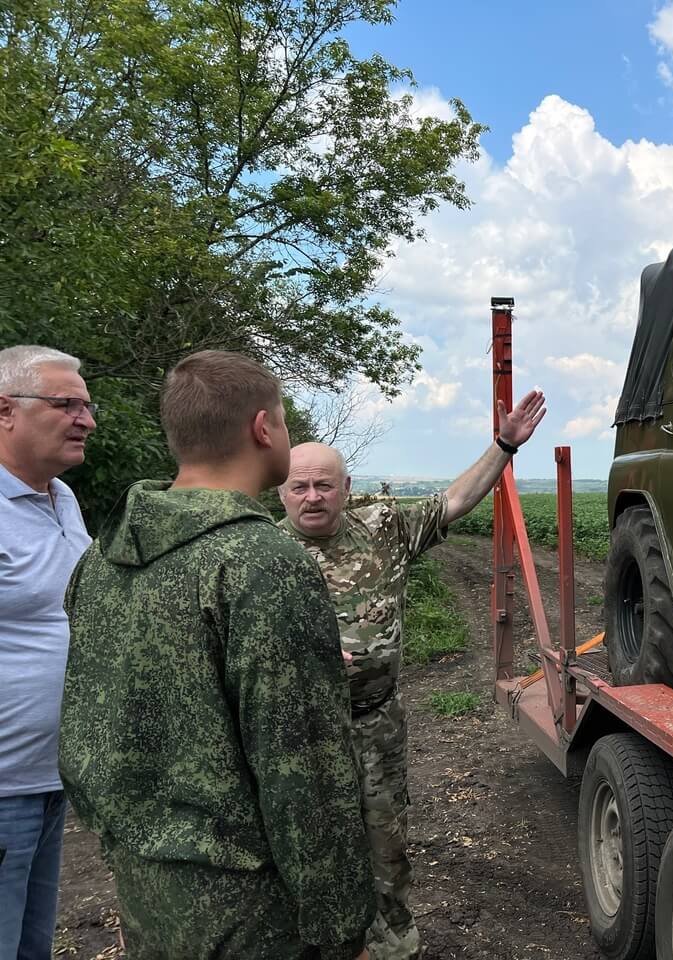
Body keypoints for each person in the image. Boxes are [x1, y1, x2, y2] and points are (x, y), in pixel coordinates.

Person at [59, 350, 375, 960]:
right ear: (263, 428)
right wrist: (341, 925)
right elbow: (304, 770)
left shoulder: (99, 558)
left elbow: (84, 726)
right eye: (282, 420)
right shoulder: (262, 565)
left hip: (144, 886)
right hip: (251, 910)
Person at [279, 389, 546, 960]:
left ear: (345, 489)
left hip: (375, 726)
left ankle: (393, 944)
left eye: (324, 484)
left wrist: (503, 445)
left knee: (386, 839)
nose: (312, 497)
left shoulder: (382, 528)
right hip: (296, 737)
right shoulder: (259, 555)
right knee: (304, 850)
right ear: (280, 489)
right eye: (299, 486)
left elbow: (454, 501)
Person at [0, 346, 95, 960]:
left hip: (49, 779)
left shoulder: (62, 498)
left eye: (87, 405)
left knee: (32, 946)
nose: (86, 419)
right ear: (4, 411)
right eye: (66, 404)